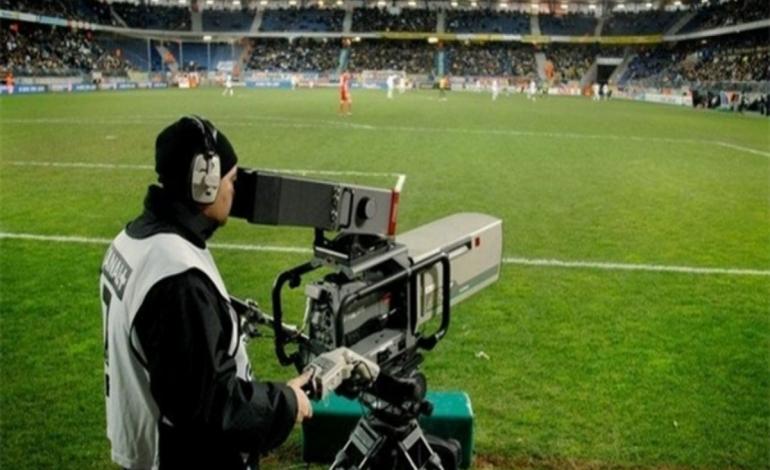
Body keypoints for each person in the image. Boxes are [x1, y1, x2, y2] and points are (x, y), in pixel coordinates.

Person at [99, 116, 312, 470]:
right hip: (179, 457)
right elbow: (212, 405)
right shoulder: (177, 277)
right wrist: (287, 402)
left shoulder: (133, 239)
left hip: (148, 444)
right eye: (231, 180)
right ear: (205, 184)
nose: (234, 191)